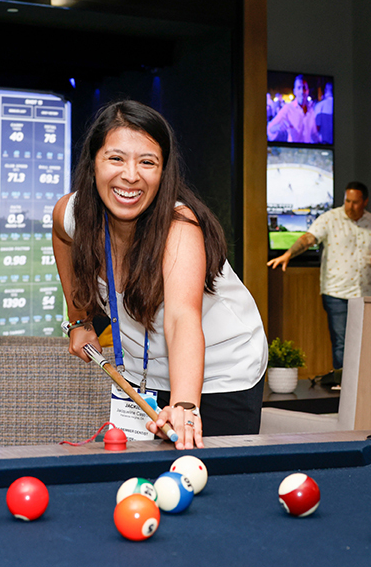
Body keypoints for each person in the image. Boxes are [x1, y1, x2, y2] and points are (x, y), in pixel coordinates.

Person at [52, 100, 268, 450]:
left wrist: (185, 406)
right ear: (93, 164)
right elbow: (61, 236)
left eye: (147, 162)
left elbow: (181, 319)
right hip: (142, 373)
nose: (131, 175)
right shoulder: (75, 213)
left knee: (199, 472)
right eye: (116, 158)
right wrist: (79, 320)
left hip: (221, 371)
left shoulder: (179, 228)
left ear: (163, 172)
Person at [267, 182, 371, 370]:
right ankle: (343, 384)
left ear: (365, 202)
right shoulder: (330, 218)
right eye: (347, 201)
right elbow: (308, 238)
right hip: (336, 292)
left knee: (364, 342)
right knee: (341, 342)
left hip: (364, 293)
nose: (350, 206)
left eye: (355, 202)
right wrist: (288, 254)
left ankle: (363, 383)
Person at [266, 74, 319, 143]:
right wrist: (278, 127)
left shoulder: (311, 110)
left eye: (304, 88)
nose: (302, 91)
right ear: (295, 91)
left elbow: (313, 134)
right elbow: (269, 128)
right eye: (299, 88)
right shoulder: (288, 108)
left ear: (308, 91)